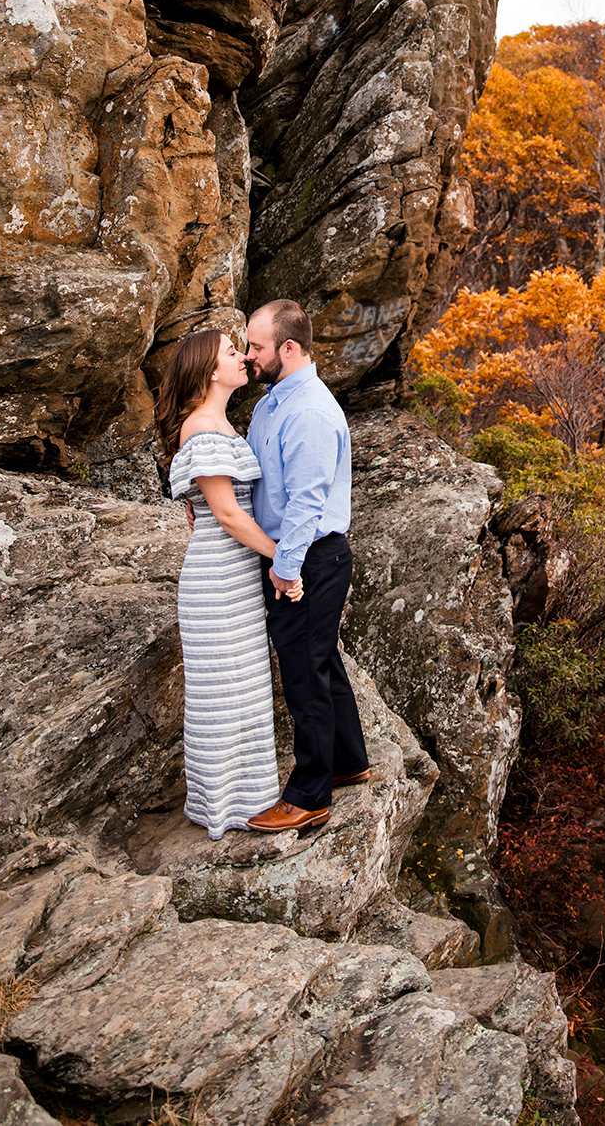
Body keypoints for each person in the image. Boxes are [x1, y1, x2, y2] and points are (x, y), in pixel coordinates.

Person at [155, 328, 303, 840]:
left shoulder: (220, 423)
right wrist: (286, 560)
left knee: (244, 686)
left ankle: (249, 798)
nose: (243, 357)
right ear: (209, 370)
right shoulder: (200, 428)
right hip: (216, 579)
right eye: (231, 352)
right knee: (221, 691)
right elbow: (226, 514)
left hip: (235, 576)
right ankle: (220, 806)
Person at [241, 298, 370, 833]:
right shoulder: (271, 403)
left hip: (309, 558)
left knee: (303, 674)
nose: (249, 356)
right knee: (321, 659)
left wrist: (286, 570)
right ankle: (350, 761)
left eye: (256, 347)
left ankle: (310, 794)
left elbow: (306, 502)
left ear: (287, 348)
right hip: (299, 555)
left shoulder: (311, 410)